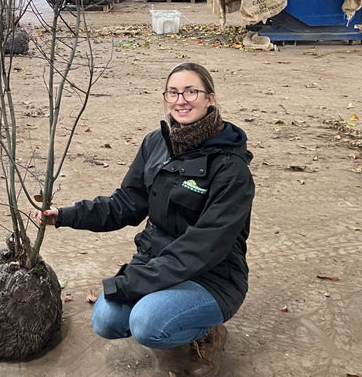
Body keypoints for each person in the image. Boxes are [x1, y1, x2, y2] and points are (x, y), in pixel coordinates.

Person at [37, 62, 255, 377]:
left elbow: (202, 248)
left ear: (210, 98)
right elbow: (126, 202)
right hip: (157, 262)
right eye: (173, 92)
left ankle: (208, 331)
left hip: (212, 276)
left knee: (146, 325)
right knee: (106, 321)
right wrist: (65, 215)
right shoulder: (157, 143)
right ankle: (170, 310)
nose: (181, 100)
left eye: (191, 91)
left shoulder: (231, 169)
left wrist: (132, 283)